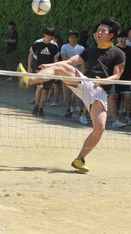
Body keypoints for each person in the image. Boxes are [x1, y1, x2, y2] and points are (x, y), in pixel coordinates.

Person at [23, 18, 125, 172]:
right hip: (84, 82)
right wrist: (50, 65)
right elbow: (71, 61)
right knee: (62, 68)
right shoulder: (90, 49)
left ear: (111, 35)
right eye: (98, 30)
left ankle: (80, 159)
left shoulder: (118, 53)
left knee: (100, 128)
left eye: (103, 30)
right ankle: (29, 79)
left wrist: (104, 81)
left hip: (100, 91)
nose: (99, 32)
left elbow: (117, 76)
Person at [27, 27, 60, 117]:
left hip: (49, 71)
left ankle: (41, 109)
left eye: (51, 36)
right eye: (48, 35)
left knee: (45, 90)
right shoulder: (37, 43)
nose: (50, 37)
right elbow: (30, 54)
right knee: (39, 88)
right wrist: (29, 66)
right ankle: (36, 106)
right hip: (39, 69)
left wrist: (56, 71)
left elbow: (55, 59)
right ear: (44, 35)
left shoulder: (54, 45)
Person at [109, 30, 131, 128]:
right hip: (116, 79)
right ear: (117, 39)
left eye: (124, 37)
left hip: (127, 79)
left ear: (127, 38)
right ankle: (115, 118)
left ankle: (128, 117)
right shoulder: (114, 50)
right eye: (120, 37)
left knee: (128, 98)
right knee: (114, 98)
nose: (122, 39)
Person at [60, 30, 85, 119]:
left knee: (78, 95)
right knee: (67, 94)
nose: (72, 39)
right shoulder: (64, 47)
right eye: (71, 37)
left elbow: (82, 61)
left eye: (74, 37)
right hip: (66, 74)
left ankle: (81, 111)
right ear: (68, 38)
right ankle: (69, 109)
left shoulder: (81, 48)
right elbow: (64, 59)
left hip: (77, 75)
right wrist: (75, 61)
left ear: (76, 38)